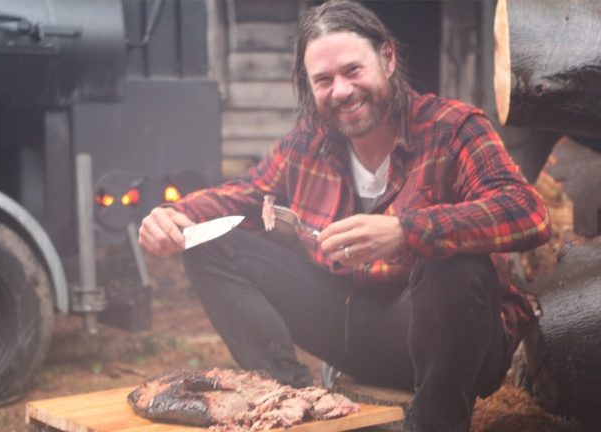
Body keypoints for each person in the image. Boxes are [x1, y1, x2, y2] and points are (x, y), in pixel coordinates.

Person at [138, 1, 550, 431]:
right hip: (353, 331)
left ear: (388, 57)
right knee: (209, 241)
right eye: (324, 80)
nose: (341, 91)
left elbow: (529, 212)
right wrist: (174, 215)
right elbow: (239, 195)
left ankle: (435, 423)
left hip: (452, 343)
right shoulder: (308, 143)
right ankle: (284, 401)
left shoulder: (454, 127)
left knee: (458, 267)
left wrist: (406, 231)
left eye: (353, 70)